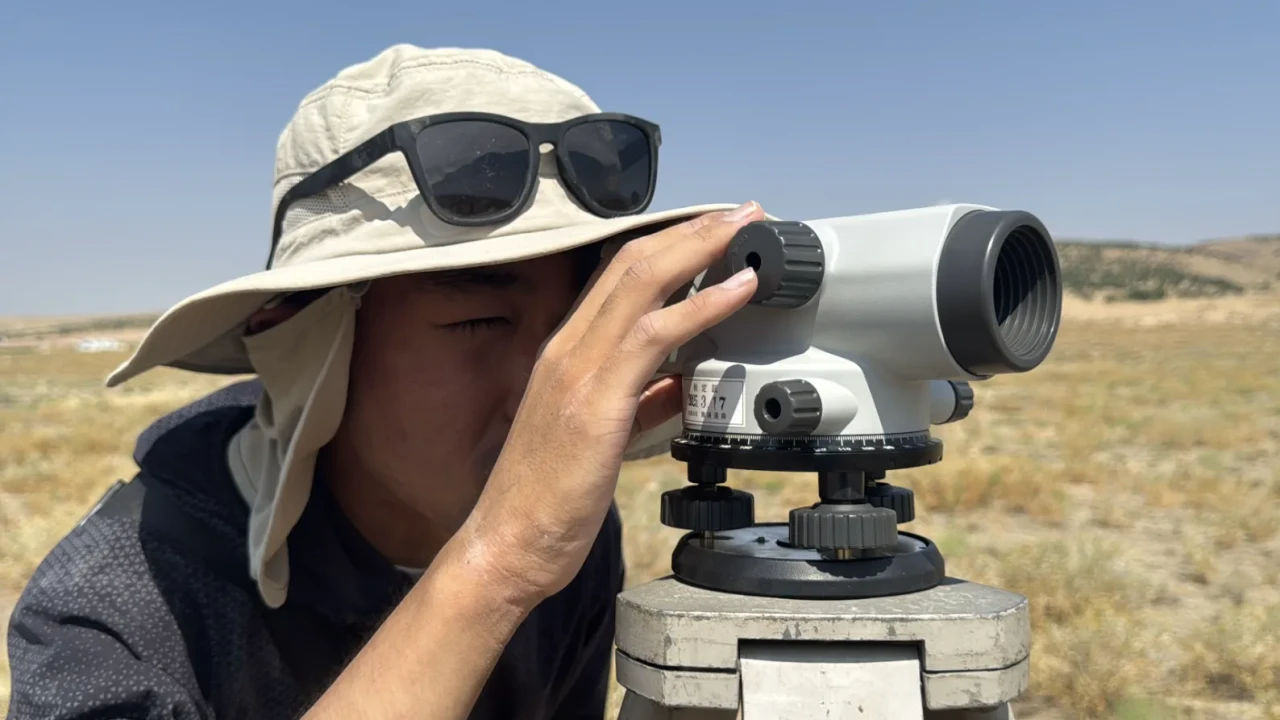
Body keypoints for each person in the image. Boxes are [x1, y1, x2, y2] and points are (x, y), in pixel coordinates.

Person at [4, 44, 765, 720]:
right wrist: (500, 565)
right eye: (481, 321)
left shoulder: (572, 537)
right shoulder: (119, 608)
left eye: (578, 326)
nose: (551, 390)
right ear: (298, 340)